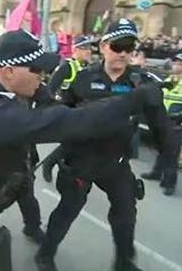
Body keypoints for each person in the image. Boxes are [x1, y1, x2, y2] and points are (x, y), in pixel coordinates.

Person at [0, 29, 160, 271]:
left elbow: (56, 110)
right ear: (9, 71)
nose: (42, 77)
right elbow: (70, 121)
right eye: (36, 70)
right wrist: (136, 99)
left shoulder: (2, 91)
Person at [35, 18, 174, 271]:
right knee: (67, 211)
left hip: (116, 163)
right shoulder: (83, 79)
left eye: (129, 47)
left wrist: (168, 161)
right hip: (81, 161)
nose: (123, 53)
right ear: (104, 46)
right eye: (117, 46)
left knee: (125, 216)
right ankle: (45, 254)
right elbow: (63, 117)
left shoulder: (142, 84)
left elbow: (161, 126)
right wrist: (58, 153)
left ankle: (124, 262)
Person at [141, 53, 182, 195]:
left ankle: (169, 183)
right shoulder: (167, 80)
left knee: (172, 154)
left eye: (180, 64)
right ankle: (156, 173)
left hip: (176, 122)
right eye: (175, 63)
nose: (177, 66)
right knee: (162, 150)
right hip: (163, 121)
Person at [41, 35, 95, 183]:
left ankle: (61, 166)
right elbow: (50, 89)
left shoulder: (89, 68)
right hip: (68, 112)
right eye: (85, 48)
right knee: (75, 142)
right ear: (75, 50)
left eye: (90, 48)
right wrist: (56, 105)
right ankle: (51, 163)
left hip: (82, 111)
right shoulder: (67, 67)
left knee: (77, 144)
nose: (89, 51)